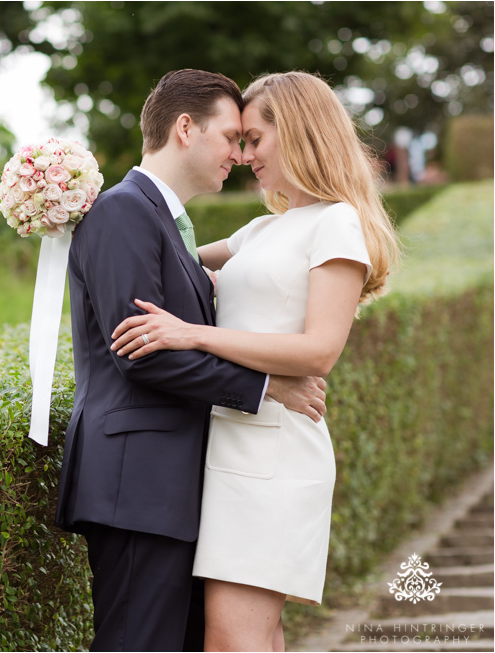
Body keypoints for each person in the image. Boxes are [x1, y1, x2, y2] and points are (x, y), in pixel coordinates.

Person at [110, 71, 400, 651]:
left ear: (296, 134)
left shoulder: (336, 221)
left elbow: (321, 350)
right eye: (239, 141)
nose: (244, 156)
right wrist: (79, 207)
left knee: (230, 638)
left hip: (275, 453)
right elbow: (162, 249)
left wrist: (194, 335)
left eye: (254, 139)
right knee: (254, 634)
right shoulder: (264, 227)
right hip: (234, 446)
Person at [53, 69, 328, 652]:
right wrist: (265, 387)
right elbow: (142, 353)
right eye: (231, 136)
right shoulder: (123, 211)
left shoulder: (167, 224)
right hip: (137, 480)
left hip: (170, 486)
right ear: (185, 128)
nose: (240, 152)